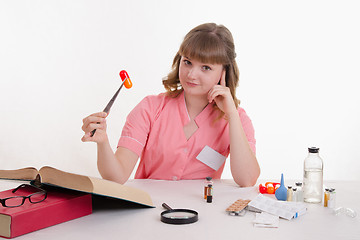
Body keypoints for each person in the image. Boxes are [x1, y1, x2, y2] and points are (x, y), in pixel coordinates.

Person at [81, 23, 260, 187]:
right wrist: (102, 142)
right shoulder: (149, 108)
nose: (191, 74)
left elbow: (247, 180)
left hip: (204, 214)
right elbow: (116, 177)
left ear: (224, 71)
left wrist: (232, 115)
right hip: (149, 212)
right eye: (187, 62)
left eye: (205, 67)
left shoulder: (239, 119)